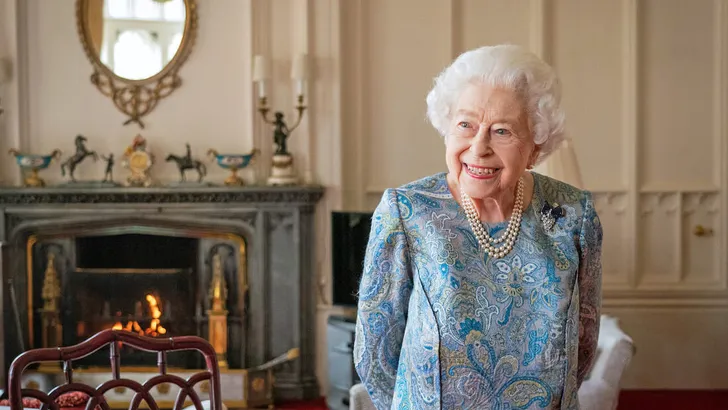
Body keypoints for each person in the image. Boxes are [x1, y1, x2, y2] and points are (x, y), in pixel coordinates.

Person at [353, 44, 603, 409]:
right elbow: (376, 352)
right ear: (446, 128)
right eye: (465, 125)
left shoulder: (573, 214)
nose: (479, 147)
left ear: (535, 145)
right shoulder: (407, 212)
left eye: (502, 131)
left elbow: (583, 340)